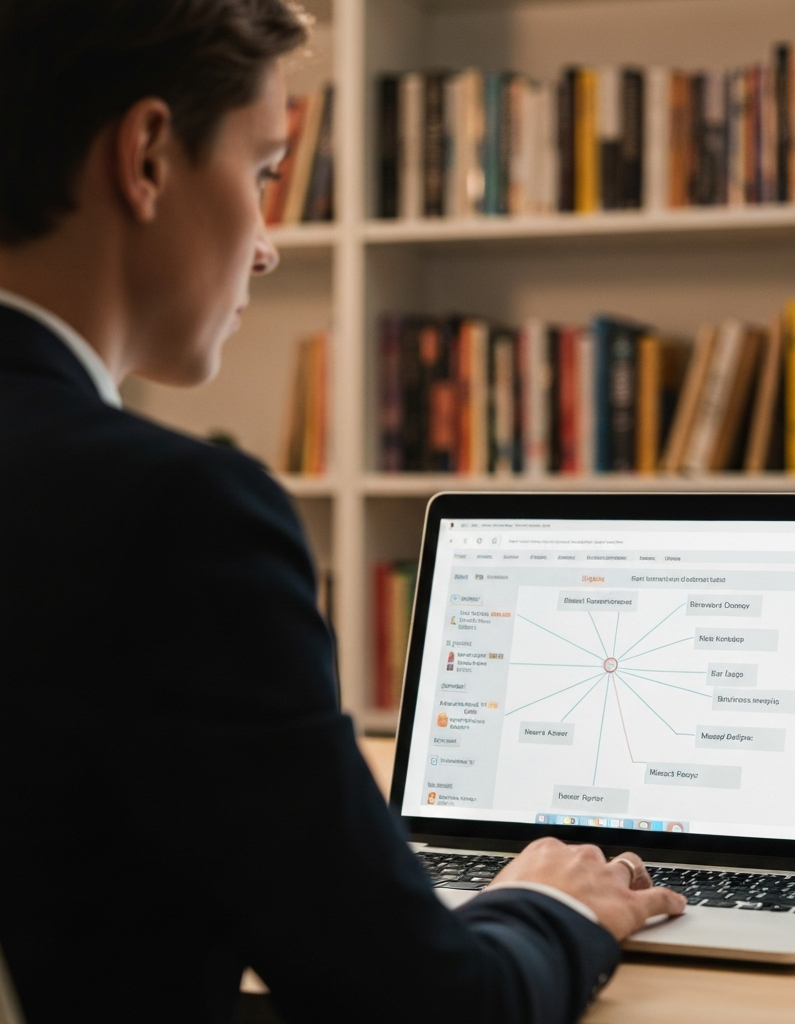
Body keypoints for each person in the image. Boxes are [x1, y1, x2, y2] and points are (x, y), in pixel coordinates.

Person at [0, 2, 686, 1022]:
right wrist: (550, 904)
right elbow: (428, 1008)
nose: (268, 246)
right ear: (146, 156)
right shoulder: (173, 515)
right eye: (264, 172)